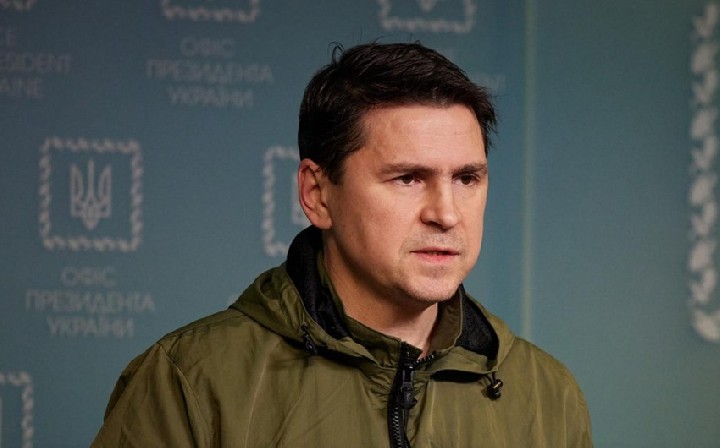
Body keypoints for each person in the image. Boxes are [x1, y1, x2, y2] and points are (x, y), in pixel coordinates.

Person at [92, 42, 591, 447]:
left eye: (466, 178)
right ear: (317, 194)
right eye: (408, 178)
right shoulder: (190, 381)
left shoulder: (547, 395)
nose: (446, 213)